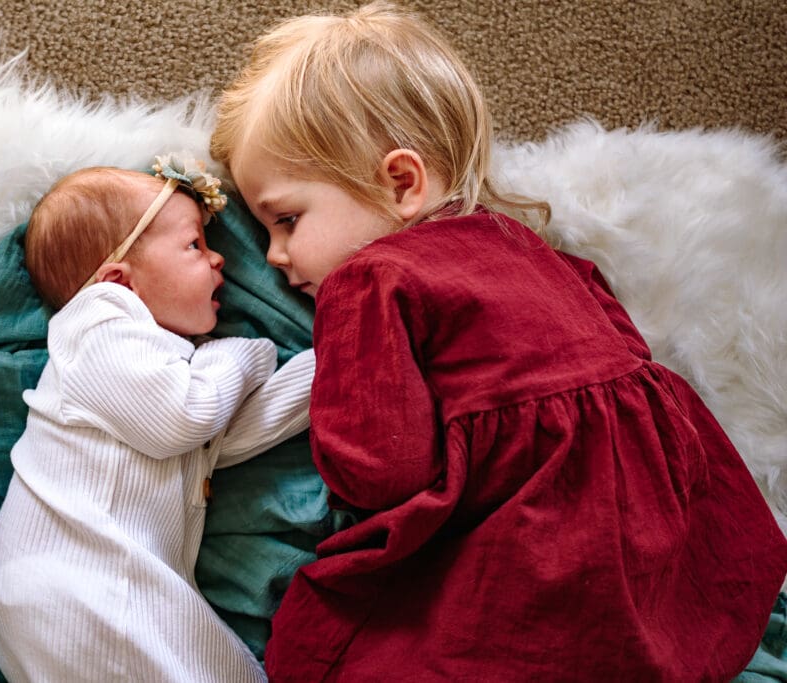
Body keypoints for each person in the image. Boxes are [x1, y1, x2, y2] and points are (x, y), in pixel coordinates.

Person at [209, 2, 787, 680]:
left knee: (342, 647)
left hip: (543, 539)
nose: (275, 256)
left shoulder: (370, 279)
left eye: (286, 220)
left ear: (401, 183)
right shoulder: (531, 247)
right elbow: (628, 356)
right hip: (660, 525)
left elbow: (379, 468)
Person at [0, 156, 314, 682]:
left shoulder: (161, 367)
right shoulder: (99, 325)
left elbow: (228, 427)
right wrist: (244, 355)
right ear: (118, 281)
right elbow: (188, 417)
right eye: (195, 245)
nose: (219, 260)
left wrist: (337, 359)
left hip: (100, 579)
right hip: (75, 579)